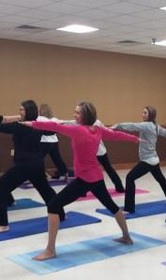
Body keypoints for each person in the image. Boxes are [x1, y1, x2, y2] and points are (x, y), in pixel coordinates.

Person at [21, 102, 140, 261]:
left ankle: (50, 250)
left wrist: (31, 123)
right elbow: (115, 135)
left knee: (53, 205)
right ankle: (126, 237)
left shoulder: (78, 130)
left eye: (77, 113)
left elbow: (55, 127)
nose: (75, 115)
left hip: (85, 179)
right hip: (96, 177)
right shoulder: (97, 130)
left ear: (85, 115)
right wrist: (135, 139)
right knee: (112, 206)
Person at [0, 100, 65, 233]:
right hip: (36, 165)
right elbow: (52, 131)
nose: (19, 112)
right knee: (46, 190)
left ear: (28, 111)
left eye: (22, 110)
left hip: (24, 166)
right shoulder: (37, 125)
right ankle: (60, 214)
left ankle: (2, 224)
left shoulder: (21, 126)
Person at [111, 106, 166, 213]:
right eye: (143, 112)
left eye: (145, 113)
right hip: (154, 159)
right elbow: (163, 131)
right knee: (161, 179)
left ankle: (129, 208)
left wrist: (118, 126)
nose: (142, 114)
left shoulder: (146, 125)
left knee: (130, 178)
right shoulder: (155, 126)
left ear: (150, 115)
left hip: (148, 160)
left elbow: (132, 126)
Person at [37, 104, 69, 182]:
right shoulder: (55, 119)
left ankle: (43, 175)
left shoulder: (40, 118)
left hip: (45, 142)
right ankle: (65, 174)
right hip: (54, 141)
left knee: (38, 159)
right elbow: (63, 124)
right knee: (57, 158)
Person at [94, 120, 125, 193]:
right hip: (99, 151)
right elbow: (106, 129)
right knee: (108, 169)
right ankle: (119, 187)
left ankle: (119, 187)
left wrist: (111, 128)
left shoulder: (95, 122)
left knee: (108, 169)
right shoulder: (96, 122)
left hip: (99, 152)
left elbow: (106, 130)